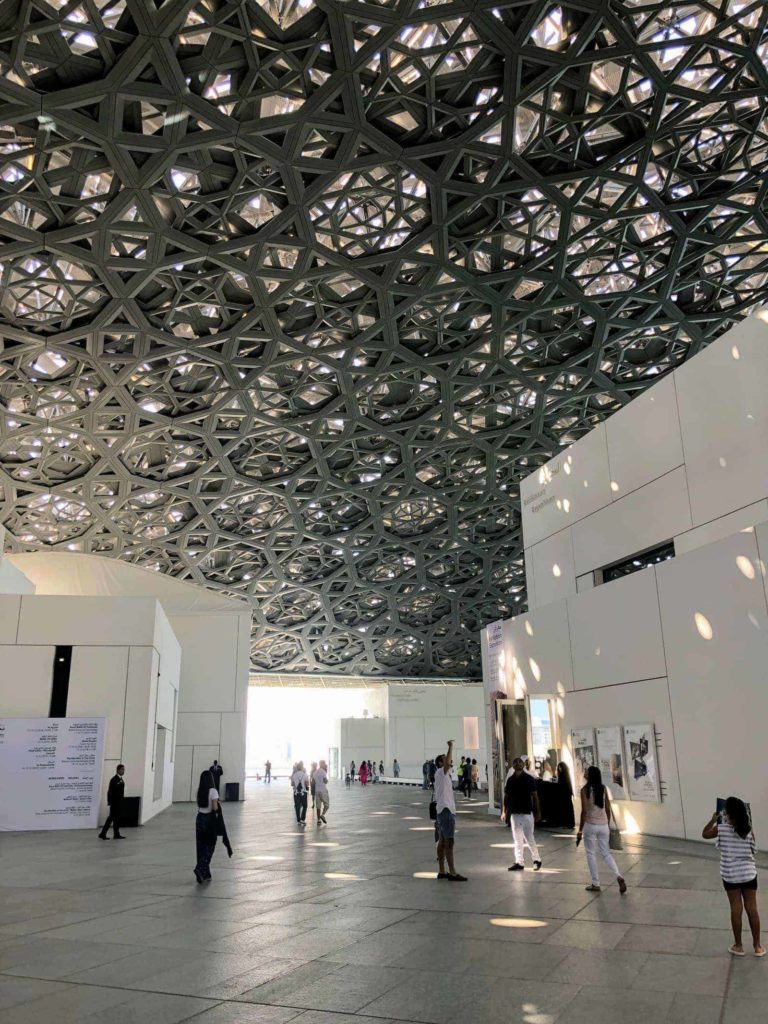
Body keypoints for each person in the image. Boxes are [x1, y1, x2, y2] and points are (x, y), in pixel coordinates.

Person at [702, 797, 764, 956]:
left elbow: (704, 834)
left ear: (727, 813)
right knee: (752, 908)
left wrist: (712, 820)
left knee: (736, 909)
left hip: (731, 875)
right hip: (749, 874)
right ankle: (757, 947)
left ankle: (738, 946)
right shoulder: (748, 830)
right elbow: (753, 851)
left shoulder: (721, 829)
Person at [578, 765, 627, 894]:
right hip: (603, 825)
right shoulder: (603, 788)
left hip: (590, 825)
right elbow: (607, 808)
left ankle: (596, 883)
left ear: (590, 775)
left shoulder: (584, 790)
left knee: (590, 853)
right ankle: (618, 876)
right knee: (606, 853)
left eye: (587, 772)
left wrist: (579, 830)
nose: (585, 773)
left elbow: (584, 811)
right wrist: (608, 824)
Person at [434, 740, 466, 881]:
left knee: (442, 841)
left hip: (443, 809)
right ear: (441, 763)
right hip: (446, 810)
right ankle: (452, 872)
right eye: (444, 759)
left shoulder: (443, 774)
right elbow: (447, 764)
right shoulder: (441, 772)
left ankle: (442, 870)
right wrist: (451, 747)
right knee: (449, 841)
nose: (448, 760)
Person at [504, 757, 541, 870]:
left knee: (529, 837)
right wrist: (504, 811)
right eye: (516, 762)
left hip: (526, 812)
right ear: (513, 765)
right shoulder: (510, 780)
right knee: (517, 839)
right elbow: (506, 796)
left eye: (520, 762)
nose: (518, 764)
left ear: (523, 764)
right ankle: (519, 862)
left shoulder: (529, 779)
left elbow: (535, 796)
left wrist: (537, 811)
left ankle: (536, 859)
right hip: (515, 813)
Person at [194, 769, 219, 882]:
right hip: (209, 820)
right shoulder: (213, 791)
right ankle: (200, 868)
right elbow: (214, 808)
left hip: (199, 819)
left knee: (201, 846)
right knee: (210, 845)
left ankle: (205, 872)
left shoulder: (198, 791)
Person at [99, 764, 126, 840]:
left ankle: (116, 834)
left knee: (117, 819)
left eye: (124, 770)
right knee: (110, 818)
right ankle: (102, 834)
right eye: (122, 769)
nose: (123, 771)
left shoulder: (121, 779)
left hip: (119, 803)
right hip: (115, 803)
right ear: (118, 770)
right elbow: (110, 792)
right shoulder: (114, 779)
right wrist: (110, 802)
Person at [557, 761, 576, 829]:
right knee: (568, 809)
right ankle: (569, 823)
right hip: (566, 795)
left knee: (566, 809)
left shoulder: (563, 776)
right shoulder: (566, 776)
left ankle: (567, 823)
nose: (559, 769)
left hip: (565, 795)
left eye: (560, 767)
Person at [291, 761, 309, 825]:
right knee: (305, 806)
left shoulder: (294, 775)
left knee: (297, 806)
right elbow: (307, 784)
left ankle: (298, 820)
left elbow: (292, 784)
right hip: (303, 793)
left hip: (296, 793)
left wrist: (296, 784)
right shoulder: (305, 774)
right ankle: (302, 819)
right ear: (301, 767)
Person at [313, 759, 330, 826]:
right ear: (321, 764)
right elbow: (325, 781)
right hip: (323, 790)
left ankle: (318, 820)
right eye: (324, 763)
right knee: (327, 804)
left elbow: (314, 782)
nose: (325, 765)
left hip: (317, 791)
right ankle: (322, 815)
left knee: (318, 806)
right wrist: (326, 780)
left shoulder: (315, 772)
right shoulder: (323, 772)